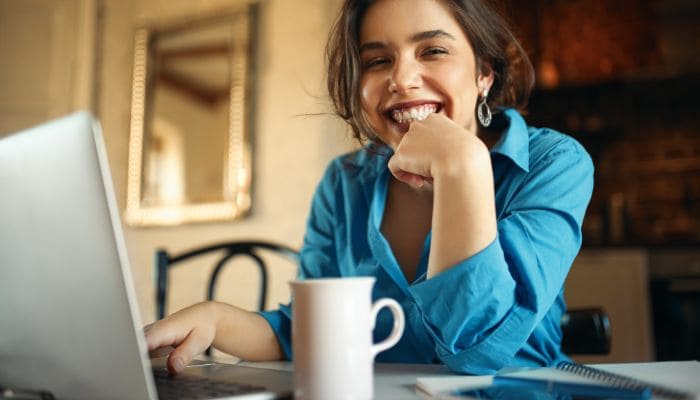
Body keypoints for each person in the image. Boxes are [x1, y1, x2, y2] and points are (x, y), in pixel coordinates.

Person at [145, 0, 594, 375]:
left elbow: (477, 352)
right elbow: (314, 333)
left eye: (433, 50)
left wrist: (463, 166)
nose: (401, 79)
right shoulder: (343, 184)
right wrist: (216, 317)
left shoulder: (553, 164)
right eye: (378, 61)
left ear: (485, 73)